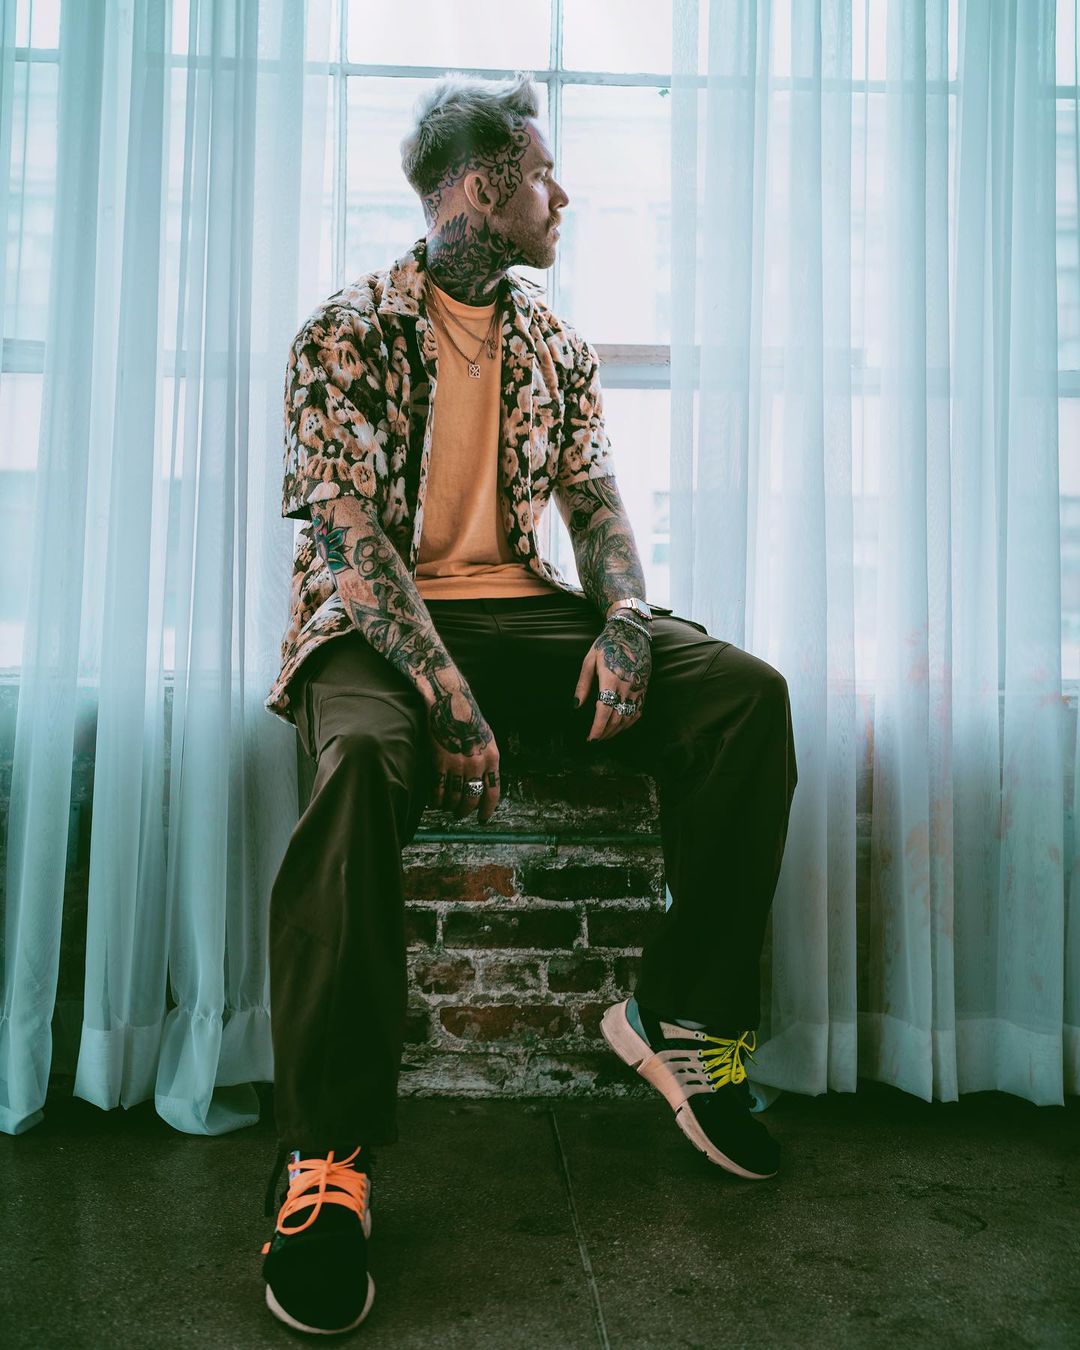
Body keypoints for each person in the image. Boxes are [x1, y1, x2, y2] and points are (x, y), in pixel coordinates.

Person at [257, 70, 798, 1336]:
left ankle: (681, 1017)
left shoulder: (554, 341)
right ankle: (327, 1158)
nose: (565, 195)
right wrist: (444, 696)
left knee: (743, 698)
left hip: (520, 615)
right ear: (485, 184)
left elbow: (597, 506)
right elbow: (348, 542)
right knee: (359, 768)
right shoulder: (344, 330)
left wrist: (624, 621)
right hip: (374, 628)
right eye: (546, 174)